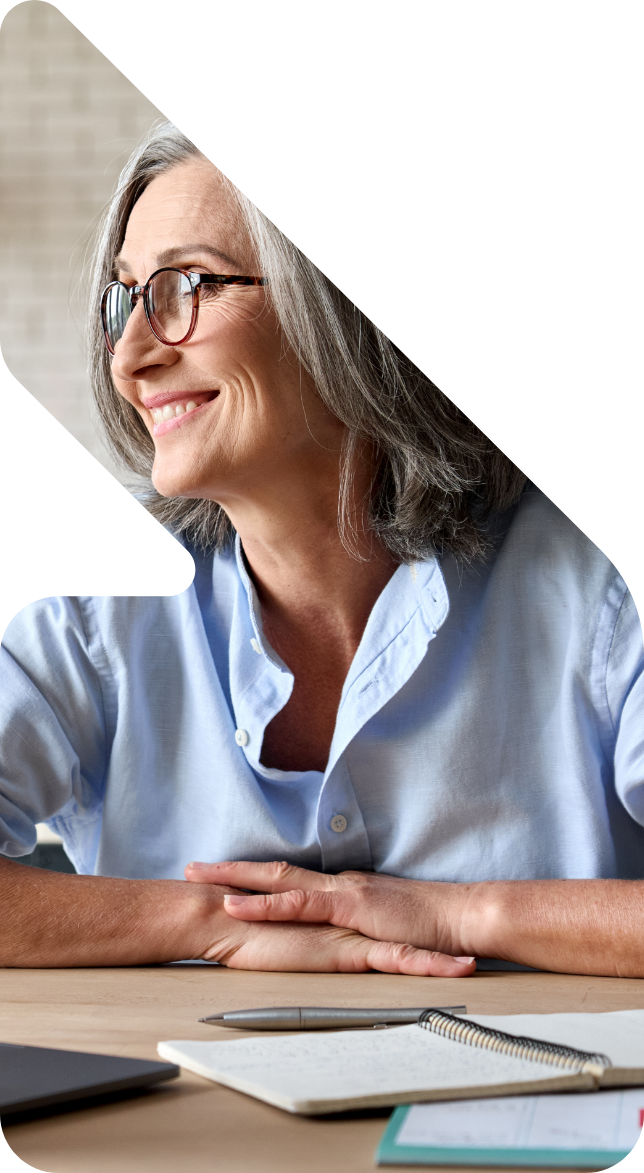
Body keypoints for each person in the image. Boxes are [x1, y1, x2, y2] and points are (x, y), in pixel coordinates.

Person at [1, 122, 643, 978]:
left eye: (185, 286)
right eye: (125, 298)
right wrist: (211, 922)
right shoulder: (84, 614)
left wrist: (455, 911)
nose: (131, 356)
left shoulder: (594, 585)